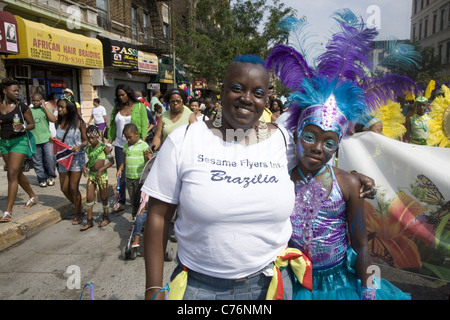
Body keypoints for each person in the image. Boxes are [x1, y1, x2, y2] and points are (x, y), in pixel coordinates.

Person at [142, 55, 376, 300]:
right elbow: (158, 216)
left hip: (271, 285)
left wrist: (353, 178)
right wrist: (153, 289)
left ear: (266, 99)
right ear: (222, 90)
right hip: (200, 288)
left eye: (258, 92)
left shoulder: (281, 141)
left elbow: (316, 160)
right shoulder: (185, 140)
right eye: (237, 88)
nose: (246, 98)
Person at [0, 78, 38, 223]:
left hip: (19, 141)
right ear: (5, 91)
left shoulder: (22, 107)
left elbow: (32, 124)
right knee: (16, 173)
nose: (17, 93)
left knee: (11, 173)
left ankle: (7, 212)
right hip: (4, 143)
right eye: (14, 90)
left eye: (18, 90)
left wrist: (23, 127)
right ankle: (33, 196)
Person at [107, 84, 148, 212]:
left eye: (123, 95)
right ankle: (121, 201)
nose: (120, 97)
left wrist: (143, 143)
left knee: (137, 173)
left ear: (128, 94)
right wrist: (109, 143)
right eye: (118, 95)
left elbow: (144, 124)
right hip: (120, 145)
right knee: (120, 173)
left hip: (136, 145)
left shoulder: (140, 106)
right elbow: (113, 126)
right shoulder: (116, 108)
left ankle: (139, 200)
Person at [54, 97, 88, 225]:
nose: (60, 109)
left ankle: (78, 213)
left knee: (73, 187)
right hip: (63, 158)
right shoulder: (58, 122)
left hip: (76, 158)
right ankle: (78, 206)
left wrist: (80, 146)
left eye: (62, 107)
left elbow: (86, 140)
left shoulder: (79, 123)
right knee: (64, 188)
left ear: (69, 108)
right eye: (59, 107)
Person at [80, 125, 114, 230]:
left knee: (103, 197)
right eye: (88, 138)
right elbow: (91, 161)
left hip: (102, 175)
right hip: (92, 175)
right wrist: (85, 166)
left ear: (97, 136)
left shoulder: (104, 148)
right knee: (89, 197)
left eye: (92, 138)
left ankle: (106, 217)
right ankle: (89, 221)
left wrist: (100, 169)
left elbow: (112, 162)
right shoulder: (89, 149)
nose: (90, 140)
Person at [117, 123, 152, 219]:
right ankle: (135, 219)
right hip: (129, 178)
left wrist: (148, 156)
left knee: (140, 200)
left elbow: (148, 160)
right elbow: (124, 160)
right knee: (132, 200)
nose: (128, 140)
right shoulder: (125, 146)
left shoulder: (143, 145)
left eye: (130, 137)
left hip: (139, 178)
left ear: (136, 134)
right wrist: (120, 169)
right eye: (126, 137)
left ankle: (141, 220)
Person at [29, 92, 57, 187]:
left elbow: (53, 119)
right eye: (33, 100)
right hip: (34, 140)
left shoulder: (45, 109)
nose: (35, 102)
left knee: (50, 158)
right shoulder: (29, 110)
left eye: (37, 100)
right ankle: (42, 179)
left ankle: (51, 176)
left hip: (47, 139)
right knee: (37, 161)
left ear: (41, 101)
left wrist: (45, 107)